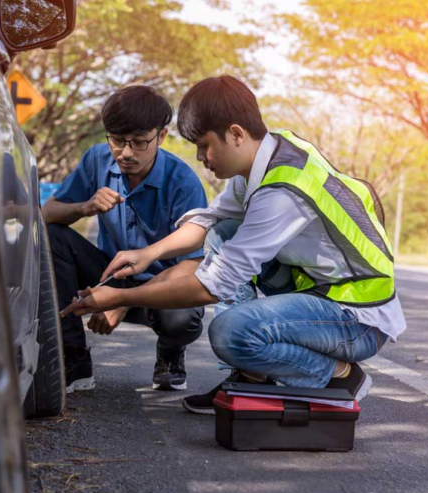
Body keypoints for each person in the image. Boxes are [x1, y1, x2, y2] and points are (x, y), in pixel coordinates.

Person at [61, 75, 406, 414]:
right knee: (223, 230)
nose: (200, 157)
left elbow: (213, 286)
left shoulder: (281, 191)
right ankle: (249, 377)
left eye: (204, 145)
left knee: (230, 333)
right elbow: (209, 220)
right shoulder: (270, 152)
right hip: (321, 292)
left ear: (236, 134)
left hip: (356, 317)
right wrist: (148, 253)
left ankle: (339, 375)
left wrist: (119, 296)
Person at [42, 85, 209, 393]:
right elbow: (47, 213)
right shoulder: (97, 159)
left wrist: (121, 300)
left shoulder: (183, 181)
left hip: (164, 287)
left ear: (161, 136)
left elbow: (194, 265)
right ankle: (73, 360)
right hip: (111, 275)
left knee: (181, 319)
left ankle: (171, 354)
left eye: (139, 142)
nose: (126, 152)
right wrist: (85, 206)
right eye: (117, 140)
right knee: (52, 238)